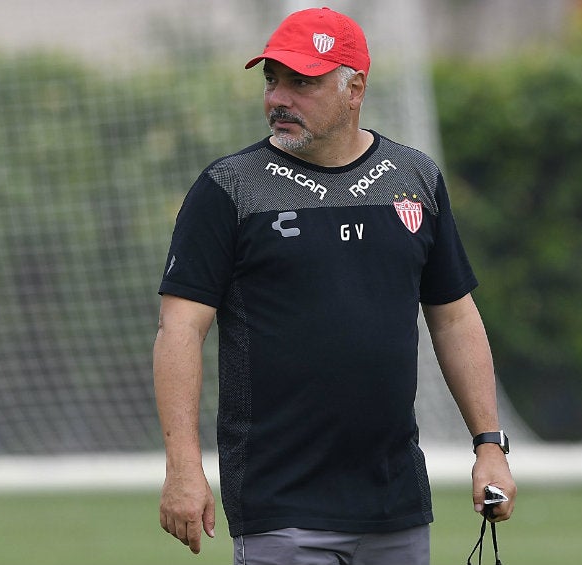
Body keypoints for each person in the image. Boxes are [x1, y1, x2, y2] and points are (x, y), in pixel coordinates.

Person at [153, 7, 515, 564]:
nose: (279, 97)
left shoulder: (415, 178)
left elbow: (454, 316)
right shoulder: (227, 189)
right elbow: (179, 329)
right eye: (273, 79)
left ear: (355, 88)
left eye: (303, 81)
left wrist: (489, 446)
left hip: (395, 504)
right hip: (280, 506)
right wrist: (182, 467)